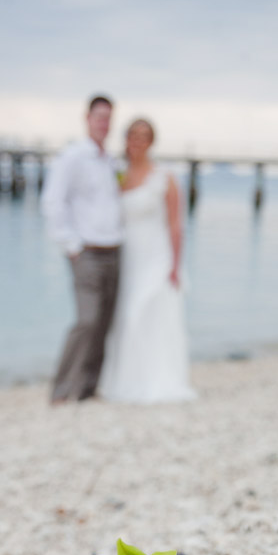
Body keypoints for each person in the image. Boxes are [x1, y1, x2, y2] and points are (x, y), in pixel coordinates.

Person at [100, 119, 195, 404]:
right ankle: (125, 381)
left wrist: (175, 266)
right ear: (126, 140)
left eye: (144, 136)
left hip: (157, 256)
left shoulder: (165, 178)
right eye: (133, 136)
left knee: (146, 313)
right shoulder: (118, 175)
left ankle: (159, 380)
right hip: (127, 258)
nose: (138, 141)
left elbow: (176, 225)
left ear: (152, 141)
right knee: (125, 318)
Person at [42, 96, 123, 403]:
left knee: (104, 322)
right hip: (86, 252)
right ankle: (61, 389)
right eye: (99, 117)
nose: (104, 123)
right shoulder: (74, 157)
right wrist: (70, 245)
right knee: (86, 320)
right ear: (87, 118)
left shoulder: (110, 161)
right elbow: (53, 201)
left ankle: (88, 388)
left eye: (108, 118)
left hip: (114, 250)